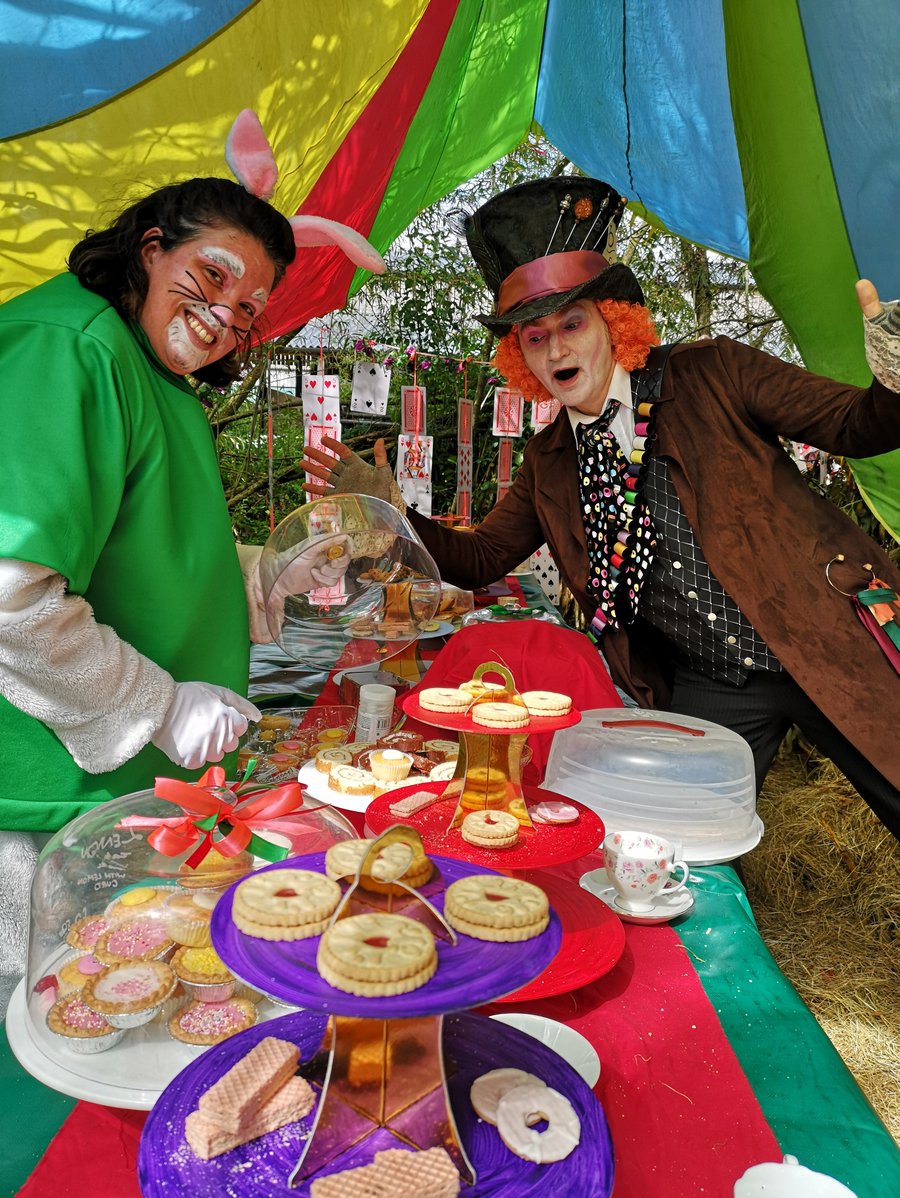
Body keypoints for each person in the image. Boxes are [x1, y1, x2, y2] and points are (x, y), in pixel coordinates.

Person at [301, 175, 900, 840]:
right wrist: (394, 514)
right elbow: (478, 560)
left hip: (828, 634)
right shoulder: (550, 460)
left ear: (615, 321)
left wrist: (896, 378)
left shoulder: (713, 372)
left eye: (573, 323)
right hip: (715, 684)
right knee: (670, 847)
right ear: (519, 355)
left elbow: (856, 426)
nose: (556, 349)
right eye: (534, 336)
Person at [0, 116, 382, 1011]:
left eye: (249, 307)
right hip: (47, 803)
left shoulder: (147, 369)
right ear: (149, 246)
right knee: (62, 1030)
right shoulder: (72, 346)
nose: (225, 313)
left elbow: (149, 545)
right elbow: (14, 590)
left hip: (120, 794)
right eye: (212, 276)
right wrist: (157, 705)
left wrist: (269, 568)